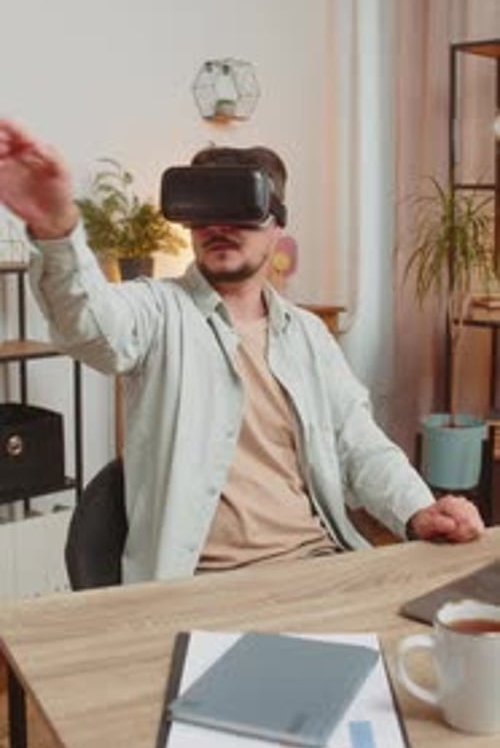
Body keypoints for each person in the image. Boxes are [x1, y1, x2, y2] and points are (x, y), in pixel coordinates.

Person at [0, 119, 484, 584]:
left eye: (240, 209)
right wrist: (57, 227)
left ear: (277, 226)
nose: (219, 225)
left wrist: (420, 509)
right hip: (204, 582)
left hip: (315, 564)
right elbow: (86, 322)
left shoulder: (310, 336)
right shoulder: (157, 313)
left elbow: (359, 446)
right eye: (205, 209)